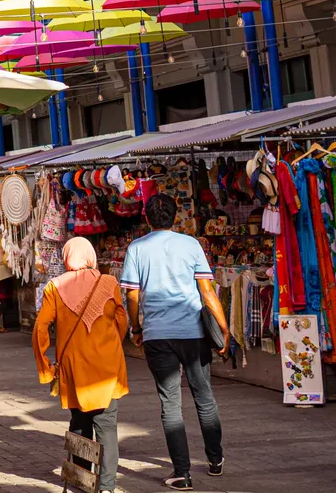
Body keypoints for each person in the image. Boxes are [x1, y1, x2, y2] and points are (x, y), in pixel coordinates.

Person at [119, 193, 228, 491]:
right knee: (204, 396)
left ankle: (182, 472)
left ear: (146, 218)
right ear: (176, 217)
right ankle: (215, 460)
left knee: (171, 405)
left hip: (157, 335)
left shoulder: (137, 248)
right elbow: (207, 292)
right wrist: (224, 328)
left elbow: (131, 294)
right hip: (193, 332)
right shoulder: (191, 244)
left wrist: (136, 327)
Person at [33, 236, 130, 493]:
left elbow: (41, 327)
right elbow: (122, 321)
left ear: (67, 258)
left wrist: (45, 367)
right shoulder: (109, 283)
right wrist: (112, 344)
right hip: (108, 367)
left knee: (79, 421)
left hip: (74, 367)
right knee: (107, 425)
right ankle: (107, 487)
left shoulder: (54, 287)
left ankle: (81, 480)